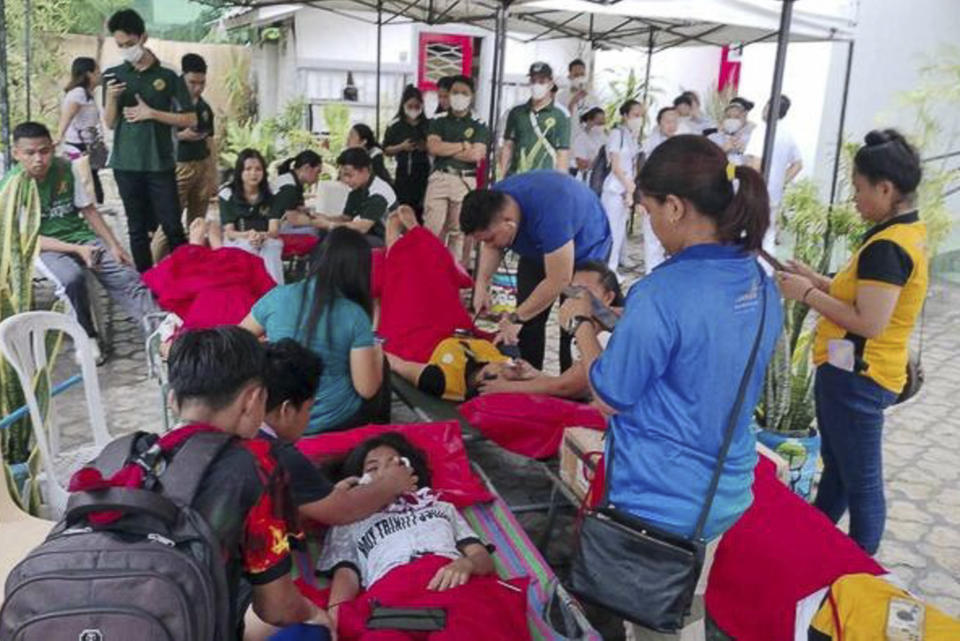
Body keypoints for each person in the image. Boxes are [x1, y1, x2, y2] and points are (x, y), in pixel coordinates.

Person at [561, 134, 782, 641]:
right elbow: (703, 355)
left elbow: (610, 397)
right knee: (689, 608)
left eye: (650, 211)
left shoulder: (662, 292)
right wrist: (619, 320)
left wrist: (583, 328)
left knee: (652, 622)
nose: (652, 225)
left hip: (660, 499)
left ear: (676, 207)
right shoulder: (759, 281)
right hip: (726, 489)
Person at [776, 130, 928, 555]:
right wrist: (816, 280)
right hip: (852, 374)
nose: (855, 199)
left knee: (862, 484)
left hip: (859, 378)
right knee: (840, 472)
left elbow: (870, 321)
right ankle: (814, 544)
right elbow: (862, 296)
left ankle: (859, 572)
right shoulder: (899, 234)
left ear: (886, 188)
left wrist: (805, 295)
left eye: (859, 189)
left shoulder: (888, 246)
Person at [165, 328, 333, 639]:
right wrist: (314, 614)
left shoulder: (120, 458)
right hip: (191, 624)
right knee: (309, 631)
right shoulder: (255, 467)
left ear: (173, 400)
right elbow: (277, 608)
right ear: (254, 399)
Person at [318, 433, 529, 641]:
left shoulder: (441, 507)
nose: (386, 471)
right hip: (391, 597)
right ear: (359, 481)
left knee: (468, 632)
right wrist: (335, 617)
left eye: (396, 463)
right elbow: (346, 576)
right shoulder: (348, 520)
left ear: (411, 471)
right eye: (373, 468)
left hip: (451, 586)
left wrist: (466, 564)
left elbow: (481, 557)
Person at [4, 122, 159, 363]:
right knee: (71, 279)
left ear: (53, 148)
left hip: (81, 237)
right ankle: (86, 337)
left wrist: (114, 245)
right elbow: (28, 238)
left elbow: (88, 209)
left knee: (125, 275)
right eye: (30, 153)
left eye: (44, 151)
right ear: (16, 154)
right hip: (45, 247)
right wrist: (77, 250)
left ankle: (160, 335)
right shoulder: (13, 186)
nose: (38, 159)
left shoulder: (65, 169)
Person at [241, 227, 389, 434]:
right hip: (336, 419)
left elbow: (238, 340)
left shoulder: (278, 296)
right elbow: (367, 389)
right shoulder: (355, 315)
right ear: (360, 270)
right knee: (380, 364)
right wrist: (378, 354)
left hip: (282, 417)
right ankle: (377, 436)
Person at [460, 170, 612, 371]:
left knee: (575, 326)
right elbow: (491, 246)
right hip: (538, 250)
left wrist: (515, 317)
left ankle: (574, 391)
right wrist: (482, 284)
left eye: (490, 238)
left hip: (585, 252)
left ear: (509, 223)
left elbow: (559, 280)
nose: (489, 244)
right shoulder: (493, 203)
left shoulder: (551, 213)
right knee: (527, 324)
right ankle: (529, 383)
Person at [104, 8, 193, 272]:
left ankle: (186, 278)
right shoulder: (114, 74)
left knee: (173, 226)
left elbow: (189, 119)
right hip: (125, 163)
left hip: (160, 162)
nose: (125, 49)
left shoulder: (168, 74)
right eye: (120, 45)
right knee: (136, 228)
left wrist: (151, 113)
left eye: (130, 44)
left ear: (143, 37)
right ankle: (147, 284)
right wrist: (110, 98)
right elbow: (109, 122)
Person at [476, 261, 623, 400]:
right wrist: (534, 375)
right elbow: (573, 382)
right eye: (573, 290)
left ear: (608, 297)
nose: (578, 298)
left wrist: (509, 387)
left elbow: (567, 387)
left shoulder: (607, 336)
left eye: (585, 292)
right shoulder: (585, 329)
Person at [424, 74, 489, 265]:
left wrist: (447, 149)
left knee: (458, 233)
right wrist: (462, 145)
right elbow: (433, 147)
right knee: (432, 229)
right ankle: (428, 272)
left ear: (472, 96)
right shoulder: (438, 119)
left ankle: (452, 279)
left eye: (464, 93)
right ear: (448, 94)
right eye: (455, 92)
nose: (459, 96)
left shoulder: (479, 123)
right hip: (440, 178)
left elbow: (476, 155)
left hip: (464, 181)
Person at [744, 95, 802, 254]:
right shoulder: (787, 134)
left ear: (769, 107)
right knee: (768, 237)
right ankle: (767, 273)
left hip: (758, 193)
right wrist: (781, 182)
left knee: (752, 236)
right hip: (774, 194)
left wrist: (751, 189)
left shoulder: (761, 131)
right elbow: (798, 164)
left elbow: (755, 164)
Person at [305, 148, 397, 246]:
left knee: (340, 238)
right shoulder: (357, 190)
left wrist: (329, 225)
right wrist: (323, 217)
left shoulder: (378, 193)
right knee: (324, 232)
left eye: (349, 175)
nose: (345, 180)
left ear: (364, 170)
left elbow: (362, 227)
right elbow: (346, 218)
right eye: (342, 175)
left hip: (386, 240)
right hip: (369, 234)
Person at [219, 148, 285, 284]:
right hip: (239, 238)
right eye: (248, 169)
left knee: (271, 248)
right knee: (247, 250)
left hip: (266, 237)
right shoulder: (227, 193)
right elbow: (230, 232)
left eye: (258, 169)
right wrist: (248, 235)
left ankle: (275, 291)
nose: (253, 174)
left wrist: (261, 236)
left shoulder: (273, 193)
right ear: (240, 171)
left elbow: (274, 230)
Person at [500, 62, 570, 176]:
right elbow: (507, 146)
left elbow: (562, 153)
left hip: (545, 180)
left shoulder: (561, 115)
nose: (537, 85)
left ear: (551, 84)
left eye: (542, 81)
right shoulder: (516, 112)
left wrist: (560, 185)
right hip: (517, 177)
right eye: (533, 81)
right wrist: (501, 176)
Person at [601, 100, 644, 274]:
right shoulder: (616, 134)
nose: (638, 119)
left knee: (619, 233)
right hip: (615, 189)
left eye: (641, 116)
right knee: (611, 231)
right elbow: (616, 166)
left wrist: (630, 189)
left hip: (626, 189)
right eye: (635, 115)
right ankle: (605, 269)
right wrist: (629, 187)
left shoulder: (632, 136)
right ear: (625, 116)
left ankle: (611, 268)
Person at [56, 57, 106, 204]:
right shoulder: (78, 93)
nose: (100, 74)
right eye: (97, 71)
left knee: (90, 183)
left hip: (87, 145)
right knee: (88, 185)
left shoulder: (86, 93)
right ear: (89, 74)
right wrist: (59, 136)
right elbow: (68, 115)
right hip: (79, 146)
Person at [640, 107, 679, 273]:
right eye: (667, 121)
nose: (671, 125)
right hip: (654, 197)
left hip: (675, 199)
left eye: (675, 121)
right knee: (652, 240)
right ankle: (651, 274)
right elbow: (642, 173)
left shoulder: (681, 143)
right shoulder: (650, 145)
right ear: (659, 122)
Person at [383, 85, 430, 210]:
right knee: (403, 208)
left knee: (422, 208)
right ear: (403, 105)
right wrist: (401, 147)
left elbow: (435, 146)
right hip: (403, 172)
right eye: (410, 106)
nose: (414, 109)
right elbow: (386, 150)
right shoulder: (395, 125)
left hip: (424, 171)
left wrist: (425, 147)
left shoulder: (428, 124)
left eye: (417, 106)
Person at [272, 150, 323, 233]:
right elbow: (294, 219)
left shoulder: (292, 180)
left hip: (279, 224)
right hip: (273, 228)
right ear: (306, 168)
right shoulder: (289, 187)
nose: (318, 177)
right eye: (317, 172)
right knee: (315, 231)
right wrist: (321, 222)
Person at [708, 97, 756, 166]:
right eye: (728, 117)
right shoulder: (714, 136)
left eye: (737, 117)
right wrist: (722, 149)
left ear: (745, 117)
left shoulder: (750, 136)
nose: (732, 120)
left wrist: (741, 150)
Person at [555, 58, 600, 125]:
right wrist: (573, 102)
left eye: (582, 74)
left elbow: (598, 115)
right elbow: (561, 120)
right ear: (569, 76)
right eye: (576, 75)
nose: (579, 78)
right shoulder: (561, 96)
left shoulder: (592, 94)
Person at [570, 106, 607, 180]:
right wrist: (598, 162)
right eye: (599, 122)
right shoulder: (581, 139)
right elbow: (581, 164)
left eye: (603, 122)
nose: (601, 124)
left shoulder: (604, 137)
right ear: (589, 121)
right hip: (586, 177)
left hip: (600, 177)